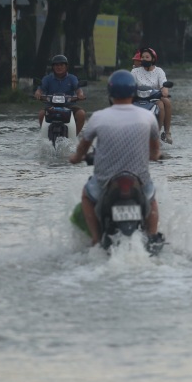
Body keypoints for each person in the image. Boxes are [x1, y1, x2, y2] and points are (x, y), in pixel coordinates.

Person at [70, 70, 163, 249]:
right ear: (133, 92)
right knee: (151, 198)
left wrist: (76, 158)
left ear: (110, 93)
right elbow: (155, 149)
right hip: (139, 180)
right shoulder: (148, 117)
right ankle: (152, 235)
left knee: (86, 197)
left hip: (106, 181)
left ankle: (96, 239)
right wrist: (155, 156)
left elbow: (83, 147)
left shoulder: (98, 117)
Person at [34, 54, 86, 134]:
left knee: (81, 114)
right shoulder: (47, 79)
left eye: (61, 65)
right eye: (56, 65)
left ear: (66, 66)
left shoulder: (72, 78)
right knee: (41, 114)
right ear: (53, 67)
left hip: (69, 105)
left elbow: (78, 89)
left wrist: (80, 95)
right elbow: (40, 89)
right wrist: (38, 93)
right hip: (51, 105)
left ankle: (75, 135)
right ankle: (45, 135)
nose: (59, 67)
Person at [131, 47, 173, 144]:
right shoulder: (135, 71)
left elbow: (163, 85)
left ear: (153, 59)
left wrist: (164, 91)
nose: (144, 59)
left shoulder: (159, 71)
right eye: (142, 57)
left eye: (147, 57)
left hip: (154, 98)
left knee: (164, 104)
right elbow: (130, 83)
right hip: (138, 98)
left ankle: (164, 132)